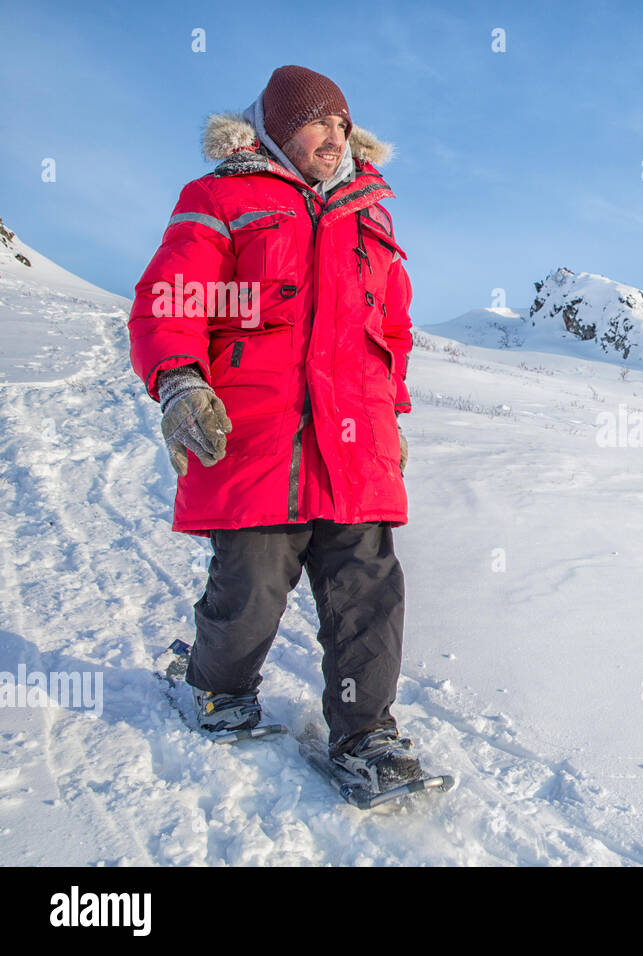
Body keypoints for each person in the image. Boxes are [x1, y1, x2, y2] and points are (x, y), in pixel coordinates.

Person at [128, 66, 420, 791]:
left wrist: (395, 415)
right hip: (258, 440)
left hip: (357, 450)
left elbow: (393, 329)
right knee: (251, 588)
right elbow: (169, 297)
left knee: (369, 594)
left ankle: (366, 737)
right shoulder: (221, 197)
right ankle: (214, 688)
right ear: (280, 129)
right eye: (318, 122)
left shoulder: (372, 214)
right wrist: (179, 381)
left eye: (342, 125)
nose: (334, 137)